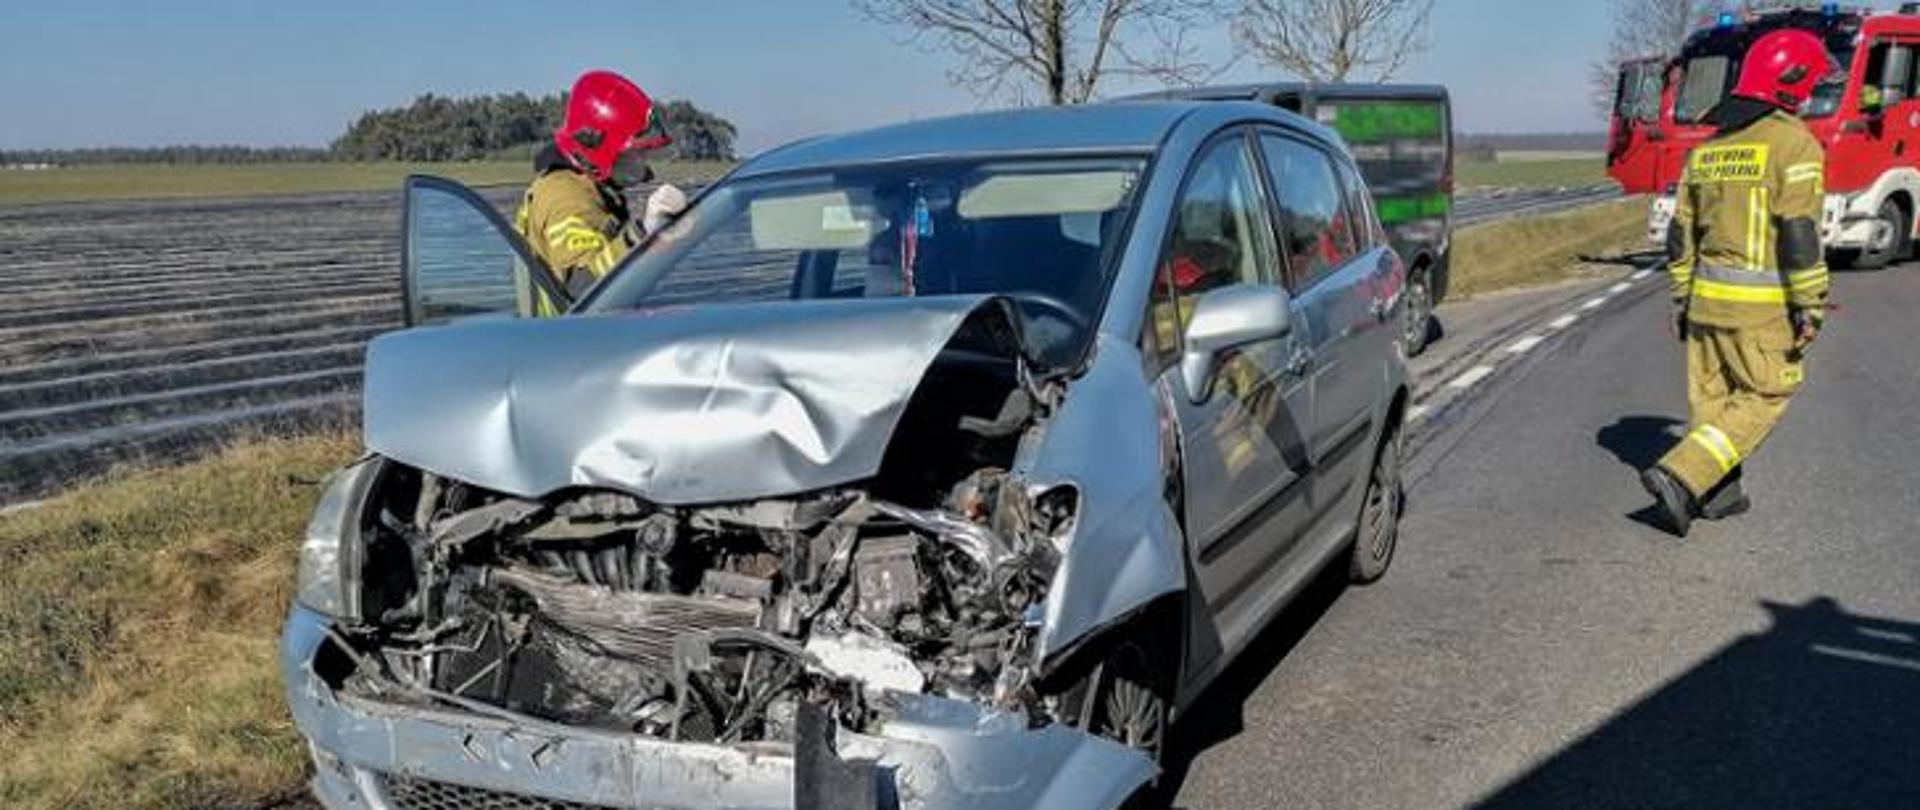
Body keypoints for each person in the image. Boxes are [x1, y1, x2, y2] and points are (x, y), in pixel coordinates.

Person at [1641, 29, 1835, 537]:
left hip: (1705, 302)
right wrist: (1809, 305)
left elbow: (1679, 236)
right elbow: (1799, 234)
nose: (1813, 96)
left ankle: (1719, 493)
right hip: (1761, 309)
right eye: (1812, 85)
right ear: (1792, 83)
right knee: (1767, 394)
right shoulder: (1794, 144)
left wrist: (1682, 298)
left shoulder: (1709, 149)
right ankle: (1682, 477)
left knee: (1714, 402)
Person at [514, 70, 688, 315]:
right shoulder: (565, 198)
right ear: (600, 149)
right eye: (636, 152)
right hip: (568, 346)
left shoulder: (591, 189)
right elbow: (582, 286)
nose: (643, 161)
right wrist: (642, 234)